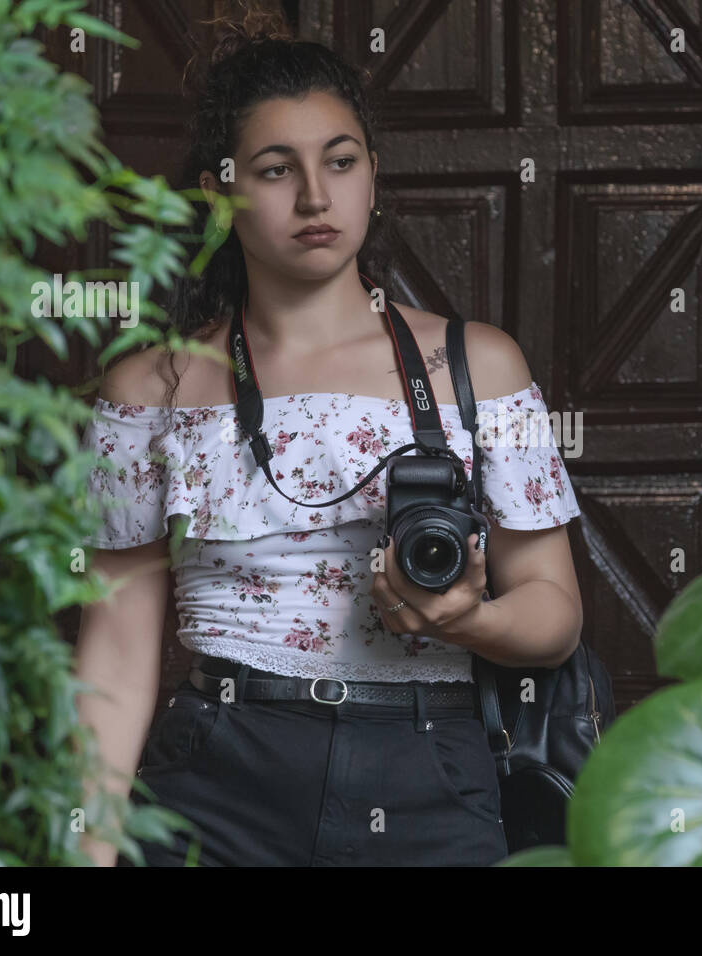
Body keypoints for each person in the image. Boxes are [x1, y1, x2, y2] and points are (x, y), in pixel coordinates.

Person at [72, 15, 583, 867]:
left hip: (430, 768)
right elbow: (118, 657)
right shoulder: (148, 391)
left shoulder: (477, 367)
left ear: (372, 176)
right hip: (217, 773)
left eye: (340, 162)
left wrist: (468, 622)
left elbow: (555, 614)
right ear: (218, 192)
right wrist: (84, 849)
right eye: (278, 171)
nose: (316, 197)